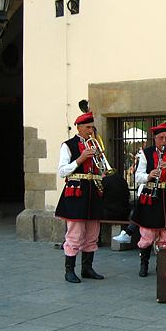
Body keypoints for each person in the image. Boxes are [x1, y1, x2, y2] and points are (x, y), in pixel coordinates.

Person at [130, 122, 166, 277]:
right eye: (161, 138)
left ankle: (162, 265)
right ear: (155, 138)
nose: (164, 141)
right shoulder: (146, 153)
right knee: (148, 233)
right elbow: (137, 176)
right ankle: (144, 264)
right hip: (150, 195)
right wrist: (149, 175)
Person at [55, 111, 105, 283]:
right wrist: (80, 159)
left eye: (92, 127)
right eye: (88, 127)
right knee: (75, 234)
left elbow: (101, 168)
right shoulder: (68, 145)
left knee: (92, 233)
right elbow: (62, 171)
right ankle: (69, 270)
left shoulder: (95, 145)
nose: (91, 131)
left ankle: (87, 268)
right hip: (76, 192)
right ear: (79, 127)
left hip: (93, 191)